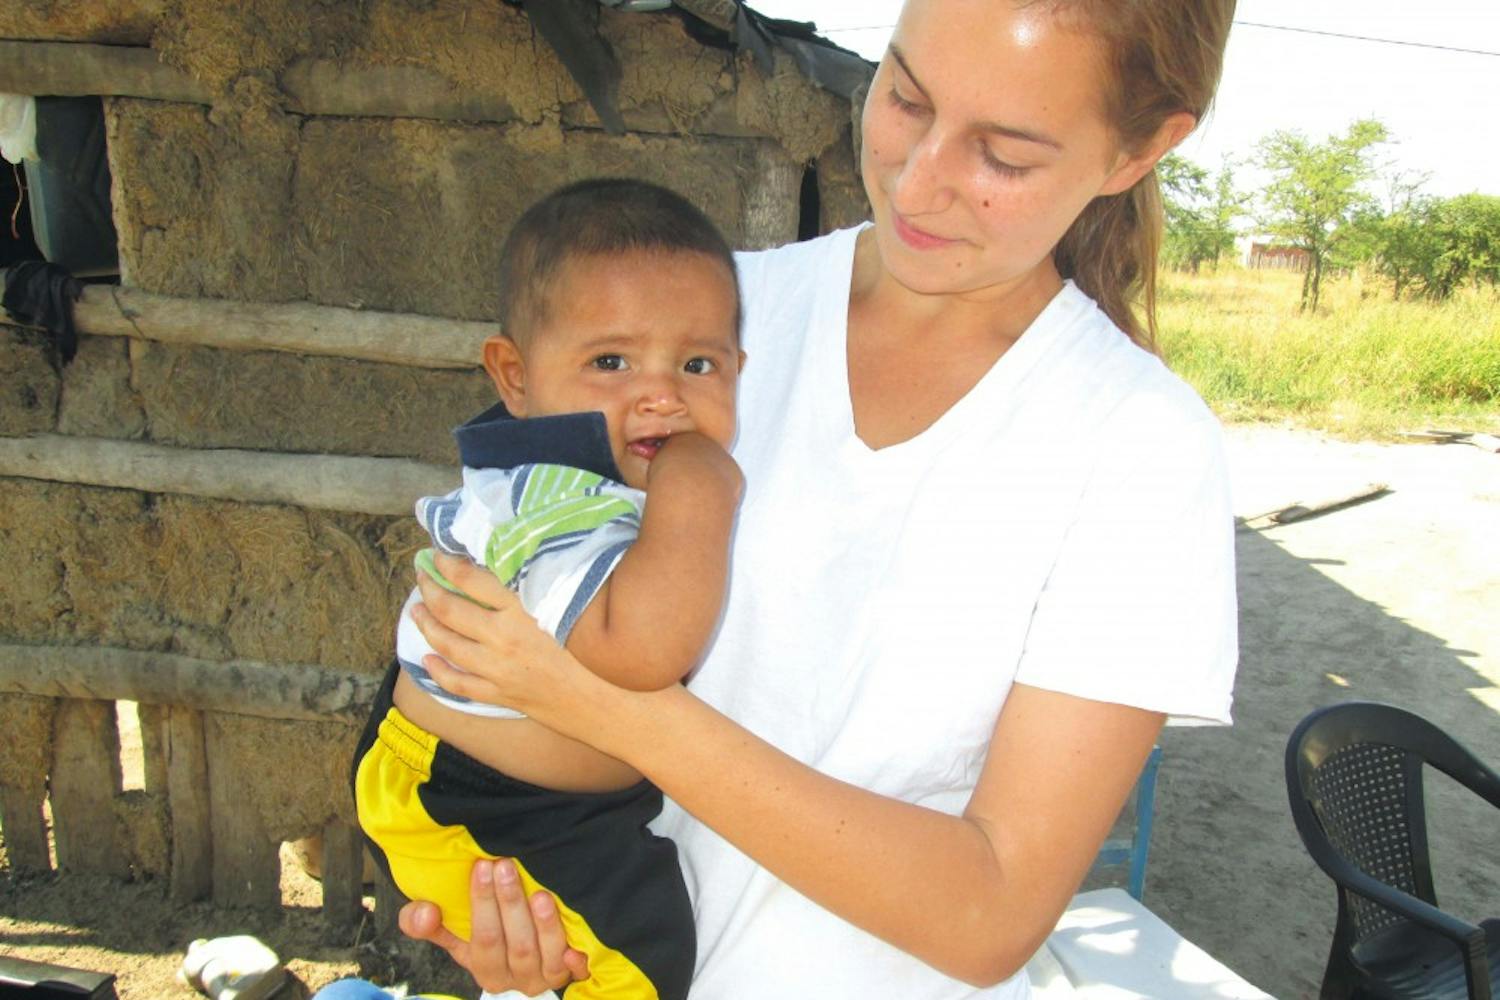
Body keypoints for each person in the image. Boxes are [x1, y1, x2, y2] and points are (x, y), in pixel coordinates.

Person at [398, 1, 1241, 997]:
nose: (920, 179)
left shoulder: (1139, 445)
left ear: (1140, 150)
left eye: (1004, 156)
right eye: (906, 97)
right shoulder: (698, 330)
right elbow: (475, 620)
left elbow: (991, 911)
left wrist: (604, 705)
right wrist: (507, 888)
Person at [351, 178, 745, 1000]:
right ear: (515, 376)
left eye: (698, 364)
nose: (663, 394)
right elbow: (640, 655)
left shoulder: (589, 482)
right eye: (611, 361)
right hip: (484, 799)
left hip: (519, 794)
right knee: (640, 963)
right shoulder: (553, 494)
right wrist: (702, 494)